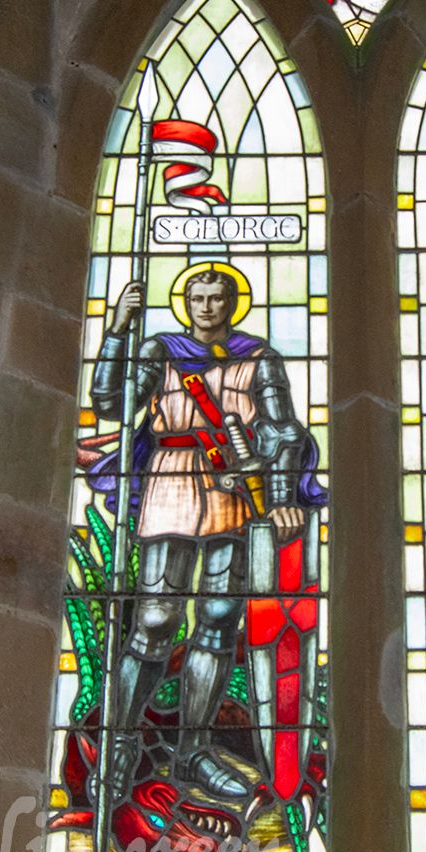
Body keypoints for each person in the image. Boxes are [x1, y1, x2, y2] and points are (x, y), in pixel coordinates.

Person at [89, 269, 320, 801]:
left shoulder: (259, 358)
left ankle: (192, 750)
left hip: (233, 486)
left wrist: (281, 496)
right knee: (154, 616)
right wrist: (118, 331)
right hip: (171, 477)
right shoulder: (158, 349)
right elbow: (110, 404)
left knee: (218, 619)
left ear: (233, 303)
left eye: (218, 297)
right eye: (197, 297)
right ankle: (121, 744)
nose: (207, 306)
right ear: (186, 302)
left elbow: (283, 429)